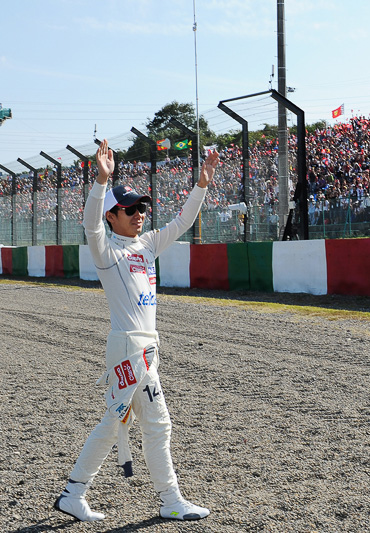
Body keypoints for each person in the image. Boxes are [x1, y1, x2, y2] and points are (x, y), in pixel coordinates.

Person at [54, 139, 219, 522]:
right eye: (129, 209)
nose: (139, 213)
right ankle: (159, 500)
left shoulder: (146, 245)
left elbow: (183, 222)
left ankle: (81, 494)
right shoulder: (105, 250)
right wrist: (100, 181)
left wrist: (202, 185)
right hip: (129, 351)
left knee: (144, 423)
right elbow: (89, 224)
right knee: (128, 423)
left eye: (141, 207)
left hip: (145, 352)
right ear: (112, 216)